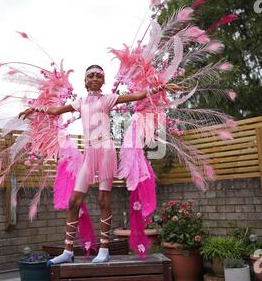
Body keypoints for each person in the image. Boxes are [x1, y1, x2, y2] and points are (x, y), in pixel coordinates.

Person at [19, 64, 184, 264]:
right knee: (74, 201)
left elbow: (137, 96)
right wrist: (35, 108)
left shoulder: (108, 99)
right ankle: (68, 250)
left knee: (103, 200)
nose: (95, 78)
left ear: (103, 81)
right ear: (86, 81)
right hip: (89, 154)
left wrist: (160, 88)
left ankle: (104, 249)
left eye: (99, 75)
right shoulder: (79, 102)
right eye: (91, 75)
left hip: (105, 152)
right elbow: (55, 110)